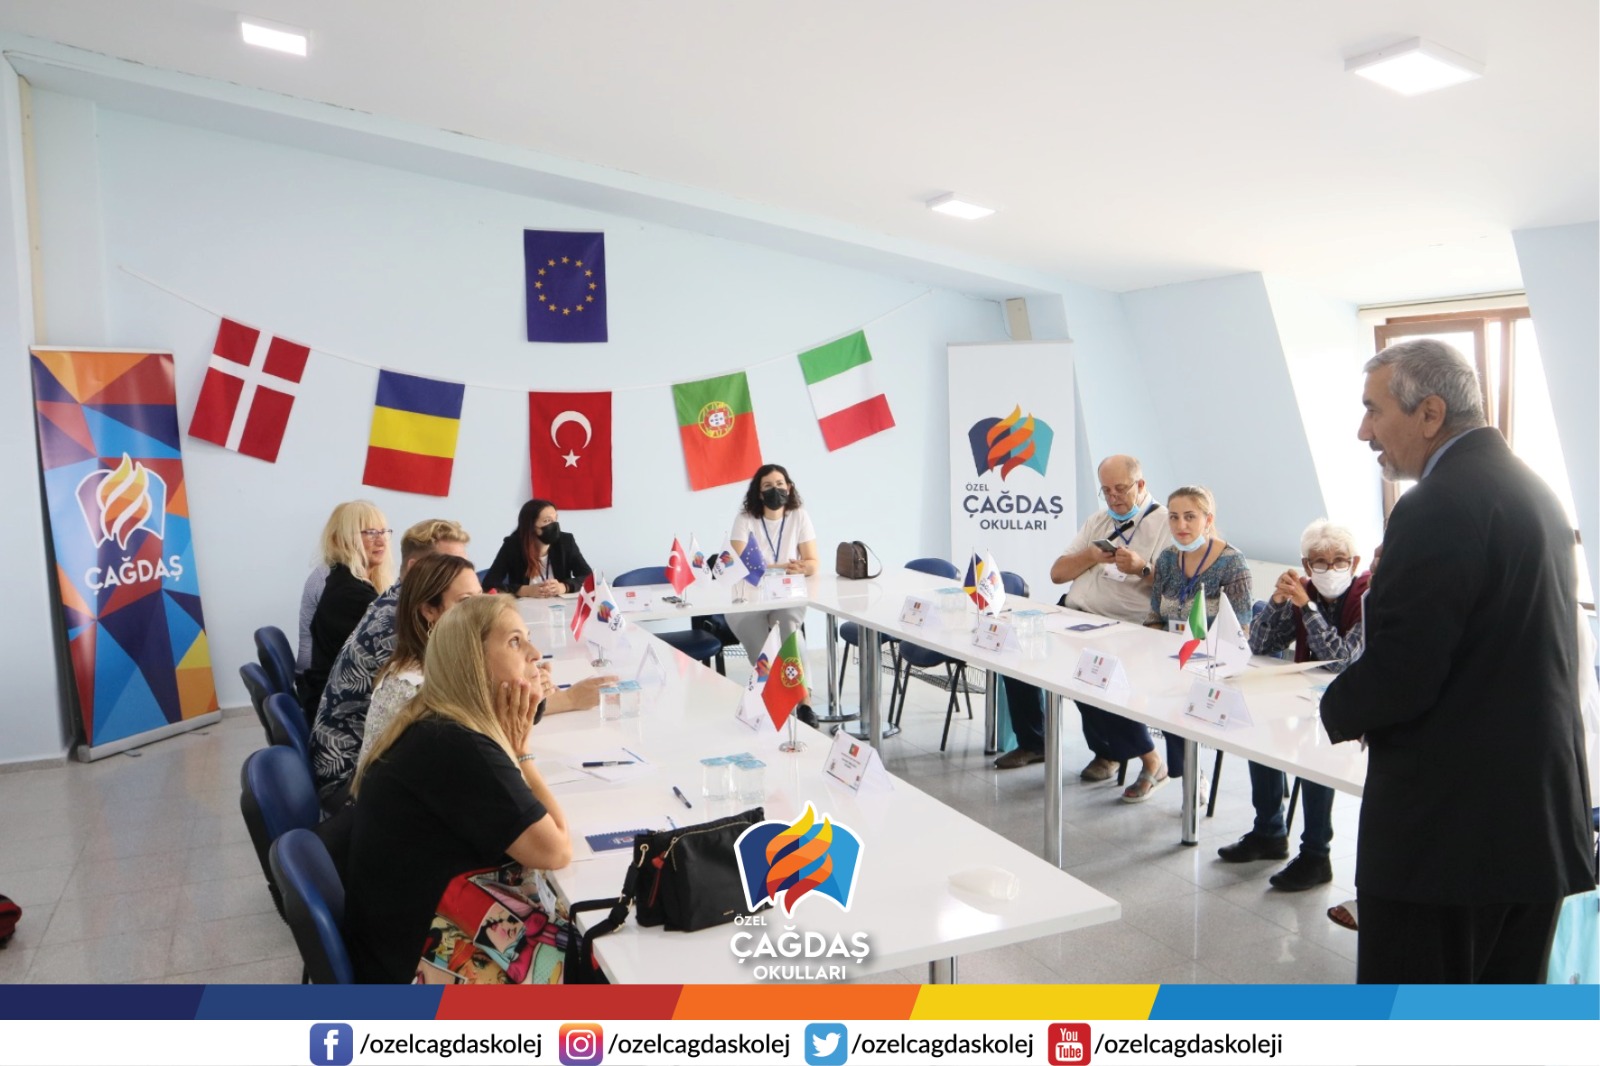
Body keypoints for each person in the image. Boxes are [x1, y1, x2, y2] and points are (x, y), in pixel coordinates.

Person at [1321, 338, 1593, 983]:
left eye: (1373, 410)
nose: (1364, 431)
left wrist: (1330, 705)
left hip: (1451, 836)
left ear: (1430, 413)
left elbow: (1405, 671)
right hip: (1532, 823)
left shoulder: (1436, 504)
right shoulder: (1532, 489)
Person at [345, 595, 573, 983]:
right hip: (419, 965)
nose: (535, 654)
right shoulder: (458, 746)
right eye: (515, 641)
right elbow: (555, 849)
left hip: (400, 938)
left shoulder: (437, 720)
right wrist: (521, 752)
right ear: (473, 662)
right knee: (598, 966)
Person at [311, 519, 609, 810]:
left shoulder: (408, 610)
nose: (477, 609)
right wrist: (562, 699)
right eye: (465, 599)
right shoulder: (399, 634)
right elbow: (472, 715)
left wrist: (521, 680)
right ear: (425, 592)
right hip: (349, 783)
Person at [993, 455, 1170, 771]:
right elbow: (1058, 574)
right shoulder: (1098, 521)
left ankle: (1128, 755)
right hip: (1074, 614)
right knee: (1016, 649)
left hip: (1123, 625)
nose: (1113, 498)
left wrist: (1142, 568)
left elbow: (1178, 586)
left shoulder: (1166, 524)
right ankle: (1034, 742)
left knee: (1090, 669)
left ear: (1141, 484)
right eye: (1106, 491)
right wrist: (1090, 555)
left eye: (1120, 489)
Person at [1218, 520, 1368, 890]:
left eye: (1339, 560)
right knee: (1261, 732)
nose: (1330, 569)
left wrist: (1308, 608)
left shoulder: (1368, 596)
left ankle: (1316, 854)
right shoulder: (1303, 589)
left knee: (1316, 754)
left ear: (1354, 562)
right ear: (1306, 565)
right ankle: (1268, 831)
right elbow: (1260, 645)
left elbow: (1342, 660)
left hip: (1354, 704)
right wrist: (1278, 602)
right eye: (1320, 562)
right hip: (1305, 696)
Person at [1137, 485, 1253, 803]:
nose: (1181, 525)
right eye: (1174, 517)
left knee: (1176, 692)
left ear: (1208, 520)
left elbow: (1240, 630)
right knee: (1126, 688)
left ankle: (1190, 772)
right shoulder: (1166, 558)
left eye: (1190, 517)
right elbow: (1154, 615)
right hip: (1171, 658)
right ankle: (1177, 766)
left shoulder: (1232, 562)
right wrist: (1155, 651)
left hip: (1214, 663)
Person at [356, 553, 481, 769]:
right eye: (465, 601)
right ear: (429, 611)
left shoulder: (450, 661)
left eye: (480, 597)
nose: (480, 610)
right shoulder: (409, 689)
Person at [725, 464, 820, 702]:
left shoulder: (799, 516)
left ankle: (803, 699)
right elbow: (740, 564)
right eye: (767, 486)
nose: (774, 490)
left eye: (779, 484)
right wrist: (785, 566)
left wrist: (802, 567)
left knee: (790, 630)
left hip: (786, 593)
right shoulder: (745, 519)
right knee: (761, 644)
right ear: (759, 493)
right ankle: (776, 696)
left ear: (789, 488)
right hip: (748, 595)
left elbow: (812, 562)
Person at [298, 501, 395, 719]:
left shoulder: (346, 582)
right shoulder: (350, 595)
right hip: (337, 714)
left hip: (333, 697)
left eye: (383, 532)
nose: (381, 541)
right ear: (341, 540)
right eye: (370, 533)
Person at [482, 499, 593, 597]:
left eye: (555, 519)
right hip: (524, 607)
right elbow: (489, 585)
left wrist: (564, 587)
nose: (554, 525)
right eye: (547, 521)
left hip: (559, 606)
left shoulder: (565, 541)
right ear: (531, 526)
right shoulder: (512, 546)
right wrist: (525, 591)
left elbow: (589, 577)